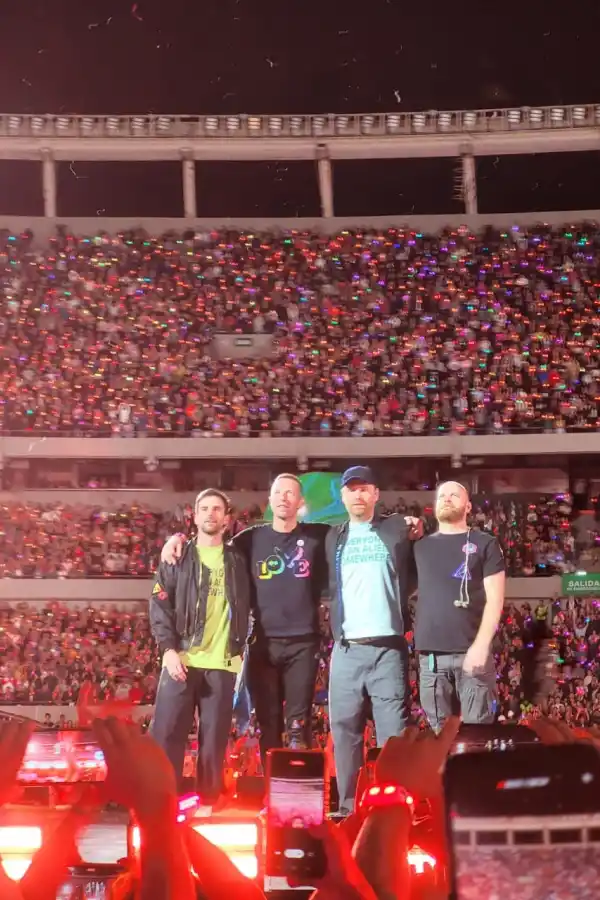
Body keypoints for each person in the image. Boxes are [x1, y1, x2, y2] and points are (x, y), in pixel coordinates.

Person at [163, 474, 329, 762]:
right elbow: (210, 542)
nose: (284, 497)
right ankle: (271, 798)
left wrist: (402, 524)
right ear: (270, 499)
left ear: (301, 502)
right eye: (278, 492)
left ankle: (298, 797)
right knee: (268, 725)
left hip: (304, 644)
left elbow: (356, 528)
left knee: (298, 728)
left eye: (291, 493)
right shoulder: (250, 540)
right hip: (262, 644)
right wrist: (176, 539)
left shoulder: (319, 536)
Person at [325, 466, 422, 816]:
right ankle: (347, 807)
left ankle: (391, 808)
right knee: (344, 728)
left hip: (388, 646)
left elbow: (416, 560)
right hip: (347, 646)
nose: (358, 495)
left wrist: (416, 525)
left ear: (376, 494)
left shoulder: (396, 527)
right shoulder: (334, 537)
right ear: (343, 496)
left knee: (392, 734)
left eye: (364, 489)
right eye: (351, 490)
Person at [149, 488, 250, 812]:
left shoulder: (238, 559)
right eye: (204, 508)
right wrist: (168, 650)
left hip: (221, 663)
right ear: (194, 515)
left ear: (226, 517)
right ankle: (164, 802)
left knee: (214, 742)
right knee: (167, 736)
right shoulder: (177, 556)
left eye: (217, 508)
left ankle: (208, 800)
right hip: (181, 660)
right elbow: (160, 605)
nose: (210, 513)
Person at [413, 481, 506, 732]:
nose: (447, 498)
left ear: (468, 506)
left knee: (476, 739)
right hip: (431, 659)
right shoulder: (419, 547)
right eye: (442, 495)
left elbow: (495, 599)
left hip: (472, 654)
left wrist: (481, 645)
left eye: (454, 495)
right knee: (438, 743)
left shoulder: (485, 543)